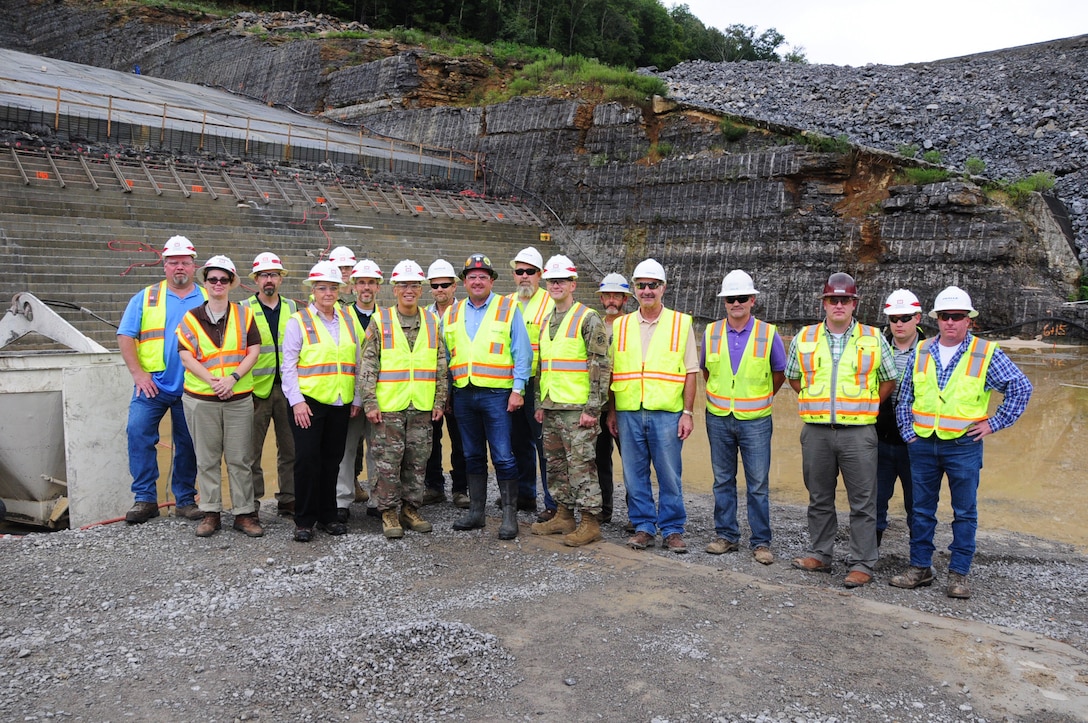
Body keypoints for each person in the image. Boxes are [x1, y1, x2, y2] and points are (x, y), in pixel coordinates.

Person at [890, 286, 1032, 599]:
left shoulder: (985, 353)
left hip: (963, 446)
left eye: (957, 316)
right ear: (936, 320)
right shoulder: (922, 350)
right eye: (944, 316)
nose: (950, 322)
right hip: (923, 444)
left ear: (969, 320)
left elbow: (1021, 388)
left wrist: (994, 423)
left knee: (964, 512)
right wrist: (908, 431)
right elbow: (905, 395)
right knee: (921, 511)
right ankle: (920, 568)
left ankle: (959, 575)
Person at [786, 272, 898, 588]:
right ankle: (820, 554)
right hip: (817, 431)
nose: (838, 305)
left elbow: (888, 379)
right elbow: (795, 378)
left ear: (854, 303)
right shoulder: (804, 338)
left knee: (863, 501)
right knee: (819, 496)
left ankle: (862, 562)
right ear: (824, 303)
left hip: (859, 433)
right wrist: (817, 401)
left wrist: (867, 404)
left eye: (844, 299)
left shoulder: (874, 337)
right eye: (833, 299)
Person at [606, 258, 698, 553]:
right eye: (641, 285)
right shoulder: (620, 325)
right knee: (634, 473)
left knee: (669, 474)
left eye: (653, 285)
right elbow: (612, 372)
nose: (647, 290)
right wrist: (611, 411)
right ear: (633, 290)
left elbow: (691, 372)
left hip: (667, 413)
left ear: (663, 288)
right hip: (629, 410)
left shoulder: (681, 323)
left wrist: (688, 413)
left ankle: (672, 529)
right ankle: (644, 526)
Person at [117, 235, 208, 524]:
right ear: (164, 266)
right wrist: (138, 373)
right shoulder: (145, 297)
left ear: (194, 266)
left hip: (192, 386)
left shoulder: (207, 298)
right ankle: (145, 499)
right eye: (173, 263)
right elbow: (125, 335)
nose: (179, 267)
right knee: (138, 432)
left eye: (184, 262)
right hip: (152, 384)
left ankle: (184, 499)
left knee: (189, 443)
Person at [357, 260, 448, 539]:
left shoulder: (432, 321)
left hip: (421, 406)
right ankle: (388, 512)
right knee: (387, 463)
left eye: (414, 285)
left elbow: (441, 364)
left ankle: (410, 509)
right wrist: (370, 403)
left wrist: (439, 401)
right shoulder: (380, 320)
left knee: (417, 462)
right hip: (389, 407)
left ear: (420, 290)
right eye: (403, 285)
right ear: (394, 289)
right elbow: (368, 365)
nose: (409, 290)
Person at [445, 253, 532, 540]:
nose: (477, 281)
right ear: (464, 282)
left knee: (504, 456)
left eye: (483, 276)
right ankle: (476, 513)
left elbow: (523, 352)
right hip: (464, 394)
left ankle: (509, 517)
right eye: (472, 277)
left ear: (492, 280)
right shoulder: (452, 312)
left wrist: (518, 390)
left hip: (497, 394)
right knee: (471, 455)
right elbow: (445, 355)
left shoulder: (508, 308)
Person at [701, 270, 786, 564]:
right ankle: (726, 536)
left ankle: (761, 542)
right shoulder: (710, 333)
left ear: (752, 300)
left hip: (756, 420)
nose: (736, 303)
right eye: (730, 299)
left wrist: (758, 398)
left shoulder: (767, 333)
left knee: (758, 484)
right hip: (719, 417)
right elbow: (706, 371)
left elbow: (779, 373)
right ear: (724, 302)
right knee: (722, 480)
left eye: (741, 298)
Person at [176, 256, 262, 538]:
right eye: (213, 279)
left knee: (240, 459)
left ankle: (244, 513)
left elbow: (253, 350)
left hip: (237, 397)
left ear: (231, 283)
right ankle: (211, 512)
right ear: (205, 282)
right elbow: (186, 355)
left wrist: (232, 379)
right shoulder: (191, 317)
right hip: (202, 398)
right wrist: (212, 381)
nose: (217, 284)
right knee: (207, 458)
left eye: (223, 280)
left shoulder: (244, 314)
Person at [529, 256, 611, 546]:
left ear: (573, 284)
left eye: (561, 280)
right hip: (552, 407)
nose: (556, 285)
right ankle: (564, 515)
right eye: (552, 280)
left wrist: (593, 408)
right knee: (557, 466)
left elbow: (600, 365)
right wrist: (540, 402)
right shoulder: (548, 320)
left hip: (578, 411)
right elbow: (543, 365)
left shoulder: (588, 318)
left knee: (582, 466)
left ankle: (590, 521)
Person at [282, 261, 361, 542]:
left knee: (332, 461)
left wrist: (357, 398)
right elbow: (288, 365)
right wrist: (296, 402)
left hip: (340, 402)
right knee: (306, 461)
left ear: (340, 290)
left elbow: (357, 362)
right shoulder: (299, 321)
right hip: (309, 402)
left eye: (332, 288)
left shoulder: (348, 319)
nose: (328, 293)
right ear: (312, 291)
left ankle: (328, 515)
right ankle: (304, 520)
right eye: (322, 288)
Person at [242, 252, 298, 517]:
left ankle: (289, 498)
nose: (269, 280)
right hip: (255, 391)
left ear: (280, 279)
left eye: (273, 275)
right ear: (255, 279)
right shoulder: (243, 309)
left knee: (291, 449)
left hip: (288, 390)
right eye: (264, 275)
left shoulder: (293, 308)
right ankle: (251, 503)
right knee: (251, 451)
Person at [875, 288, 925, 546]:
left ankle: (919, 562)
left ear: (917, 317)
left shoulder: (932, 351)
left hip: (917, 443)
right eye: (894, 318)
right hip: (879, 440)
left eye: (905, 318)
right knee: (874, 502)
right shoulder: (875, 347)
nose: (899, 323)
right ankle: (868, 556)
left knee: (918, 506)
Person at [507, 246, 555, 518]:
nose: (524, 276)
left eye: (530, 271)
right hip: (512, 382)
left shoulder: (551, 303)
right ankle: (525, 495)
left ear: (540, 275)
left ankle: (552, 503)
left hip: (538, 383)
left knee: (544, 444)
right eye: (519, 271)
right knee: (517, 443)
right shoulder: (505, 303)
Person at [335, 258, 382, 522]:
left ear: (378, 287)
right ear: (353, 287)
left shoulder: (387, 317)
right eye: (361, 282)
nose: (366, 287)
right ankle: (342, 499)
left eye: (371, 283)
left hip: (379, 397)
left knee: (377, 449)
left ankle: (377, 500)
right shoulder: (341, 316)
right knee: (346, 450)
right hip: (349, 397)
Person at [423, 258, 468, 509]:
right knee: (431, 437)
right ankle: (434, 486)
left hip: (460, 383)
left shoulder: (465, 312)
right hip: (432, 384)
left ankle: (460, 489)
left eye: (445, 285)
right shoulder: (425, 315)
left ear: (454, 286)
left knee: (461, 439)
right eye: (435, 285)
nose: (440, 289)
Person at [595, 273, 631, 524]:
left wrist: (615, 410)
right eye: (607, 295)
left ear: (625, 299)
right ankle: (603, 509)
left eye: (616, 296)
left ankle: (636, 515)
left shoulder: (632, 326)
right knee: (599, 460)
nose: (611, 300)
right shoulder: (594, 323)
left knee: (631, 461)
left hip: (623, 403)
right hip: (597, 403)